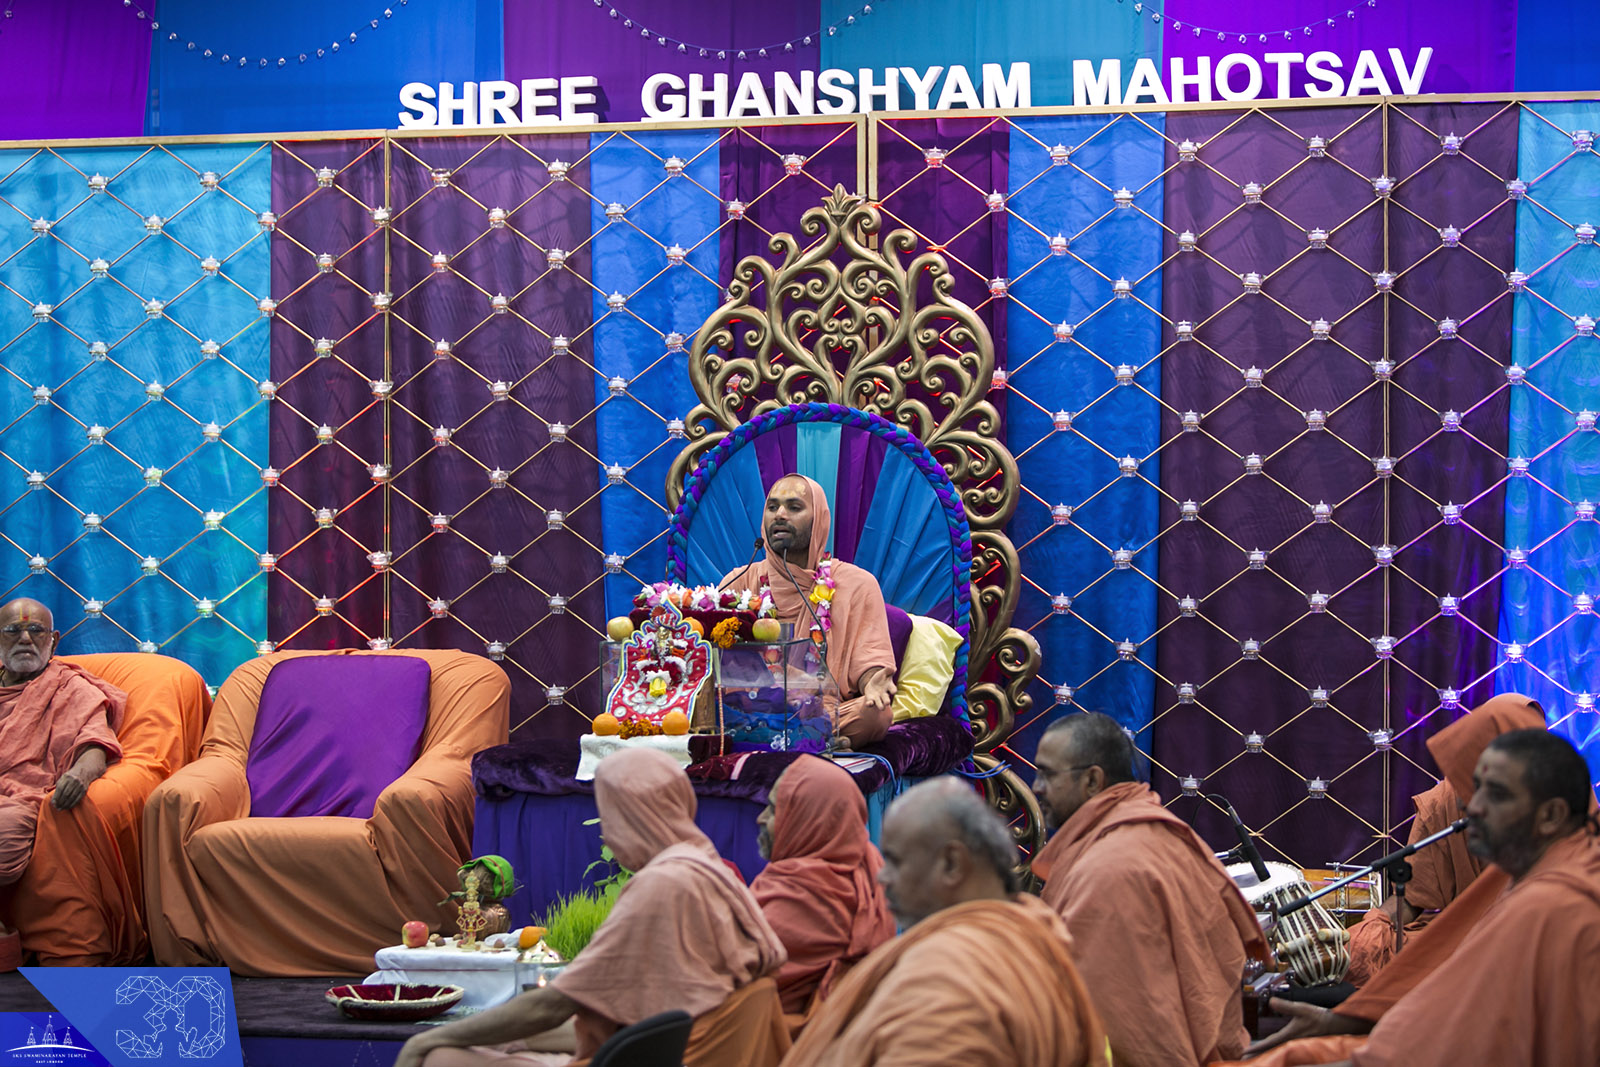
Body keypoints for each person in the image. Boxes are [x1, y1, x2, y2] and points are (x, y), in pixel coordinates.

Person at [396, 748, 790, 1067]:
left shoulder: (663, 883)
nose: (606, 833)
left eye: (608, 815)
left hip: (677, 1057)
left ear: (631, 817)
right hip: (693, 1051)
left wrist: (427, 1039)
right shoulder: (714, 869)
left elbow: (553, 1005)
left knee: (441, 1057)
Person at [1240, 728, 1600, 1067]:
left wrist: (1334, 1041)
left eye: (1496, 794)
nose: (1470, 806)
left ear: (1551, 815)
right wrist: (1339, 1025)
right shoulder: (1563, 870)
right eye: (1474, 788)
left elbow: (1458, 1041)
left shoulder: (1550, 903)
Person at [782, 778, 1111, 1067]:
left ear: (952, 863)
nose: (882, 876)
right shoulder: (1036, 929)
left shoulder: (946, 977)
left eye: (895, 861)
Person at [1029, 712, 1265, 1067]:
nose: (1036, 787)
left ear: (1092, 780)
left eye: (1047, 774)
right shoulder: (1153, 833)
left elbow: (1119, 1029)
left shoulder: (1110, 870)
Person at [1343, 693, 1546, 985]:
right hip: (1462, 936)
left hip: (1537, 934)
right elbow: (1414, 897)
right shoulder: (1446, 800)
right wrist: (1375, 925)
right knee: (1376, 950)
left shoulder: (1560, 801)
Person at [721, 475, 898, 748]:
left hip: (822, 709)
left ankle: (794, 736)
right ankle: (815, 740)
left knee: (876, 715)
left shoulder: (856, 583)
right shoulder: (740, 582)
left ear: (819, 521)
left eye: (794, 507)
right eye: (772, 507)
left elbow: (869, 655)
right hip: (753, 706)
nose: (780, 515)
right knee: (714, 710)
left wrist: (873, 681)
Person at [749, 755, 895, 1025]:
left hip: (784, 1040)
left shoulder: (797, 897)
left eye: (774, 810)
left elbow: (734, 980)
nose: (760, 818)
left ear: (807, 821)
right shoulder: (869, 864)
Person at [0, 597, 125, 889]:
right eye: (13, 630)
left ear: (54, 641)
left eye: (36, 630)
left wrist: (80, 774)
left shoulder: (72, 688)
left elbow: (95, 744)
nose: (25, 639)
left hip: (19, 800)